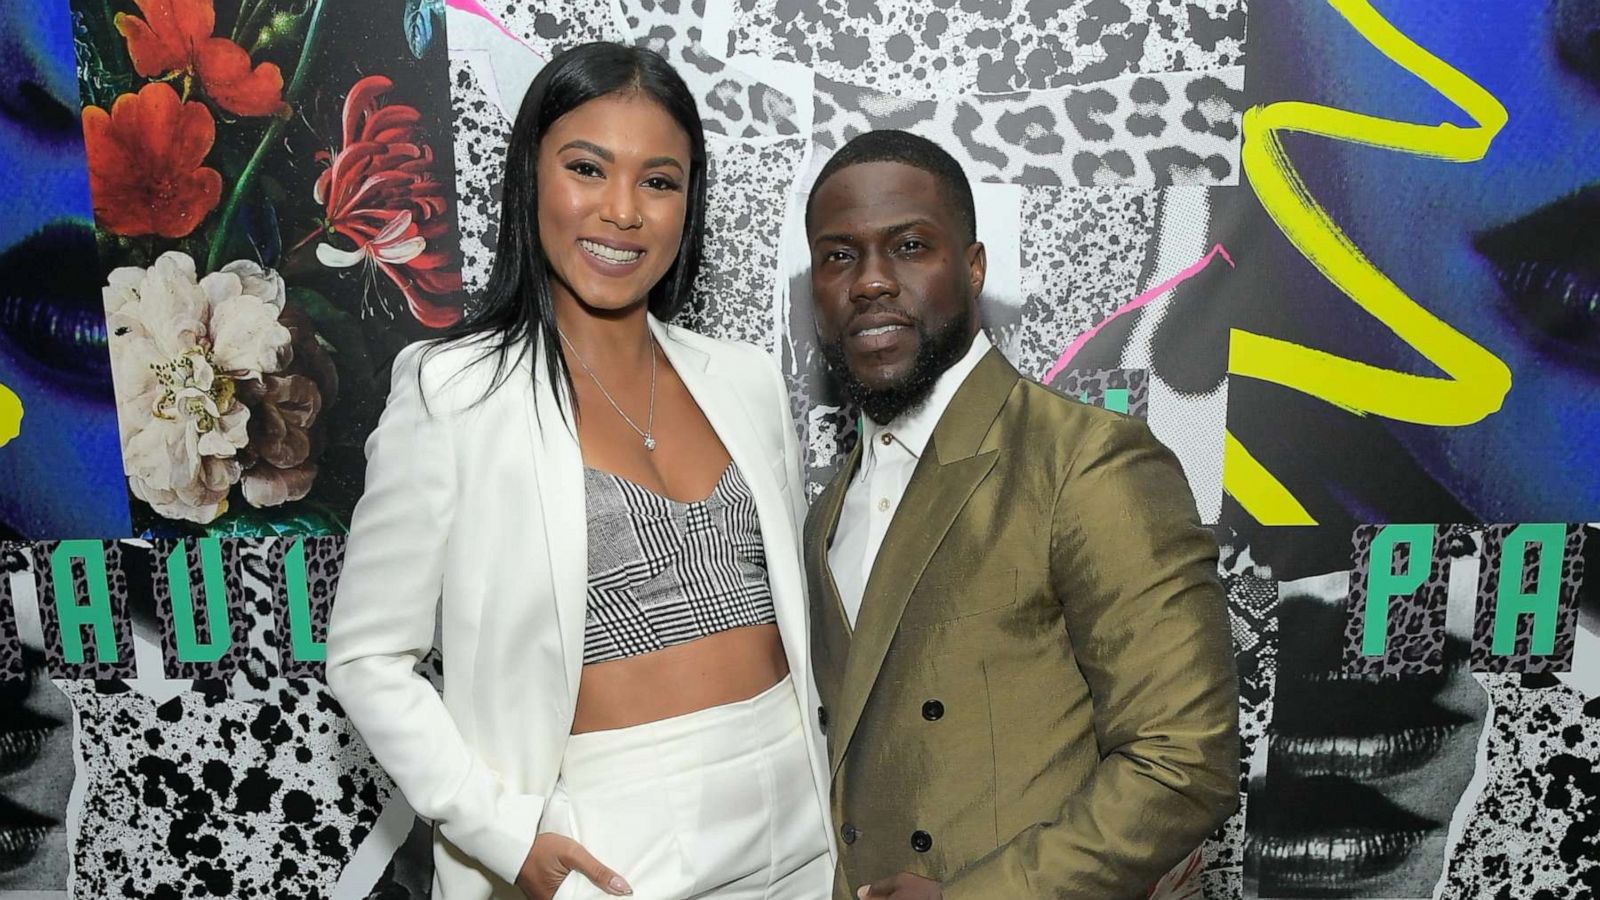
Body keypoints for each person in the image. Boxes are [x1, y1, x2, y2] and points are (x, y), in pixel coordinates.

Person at [326, 43, 832, 900]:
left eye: (660, 181)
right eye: (588, 168)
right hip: (614, 842)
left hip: (802, 812)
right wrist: (506, 834)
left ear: (688, 204)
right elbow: (367, 657)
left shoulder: (743, 379)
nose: (623, 211)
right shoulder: (453, 391)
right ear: (530, 178)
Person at [801, 129, 1239, 900]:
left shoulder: (1086, 461)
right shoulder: (827, 510)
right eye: (839, 256)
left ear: (972, 267)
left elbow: (1183, 764)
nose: (870, 281)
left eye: (908, 245)